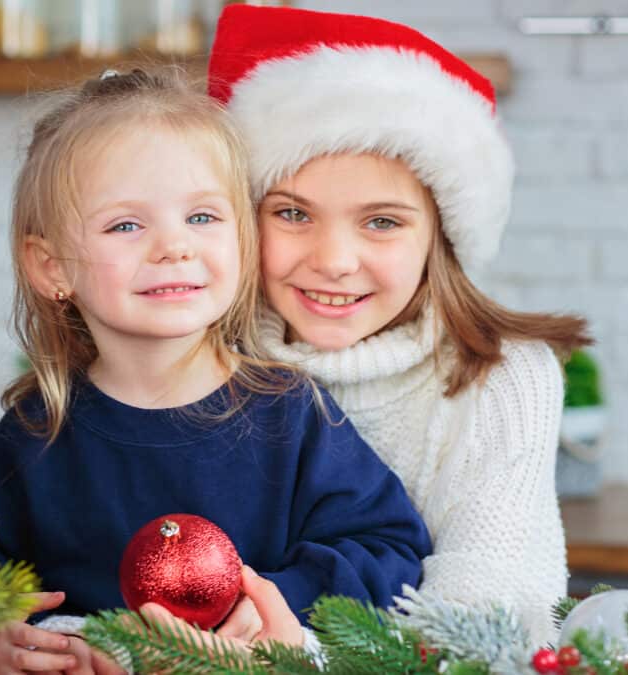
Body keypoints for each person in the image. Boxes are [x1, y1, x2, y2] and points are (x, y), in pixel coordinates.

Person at [0, 68, 432, 674]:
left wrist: (285, 602)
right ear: (50, 267)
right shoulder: (37, 432)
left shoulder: (291, 412)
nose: (174, 246)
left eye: (202, 217)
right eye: (126, 225)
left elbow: (391, 550)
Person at [206, 4, 593, 647]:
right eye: (293, 213)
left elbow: (491, 622)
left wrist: (297, 652)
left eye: (381, 221)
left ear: (439, 237)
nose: (332, 261)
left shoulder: (503, 377)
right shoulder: (196, 361)